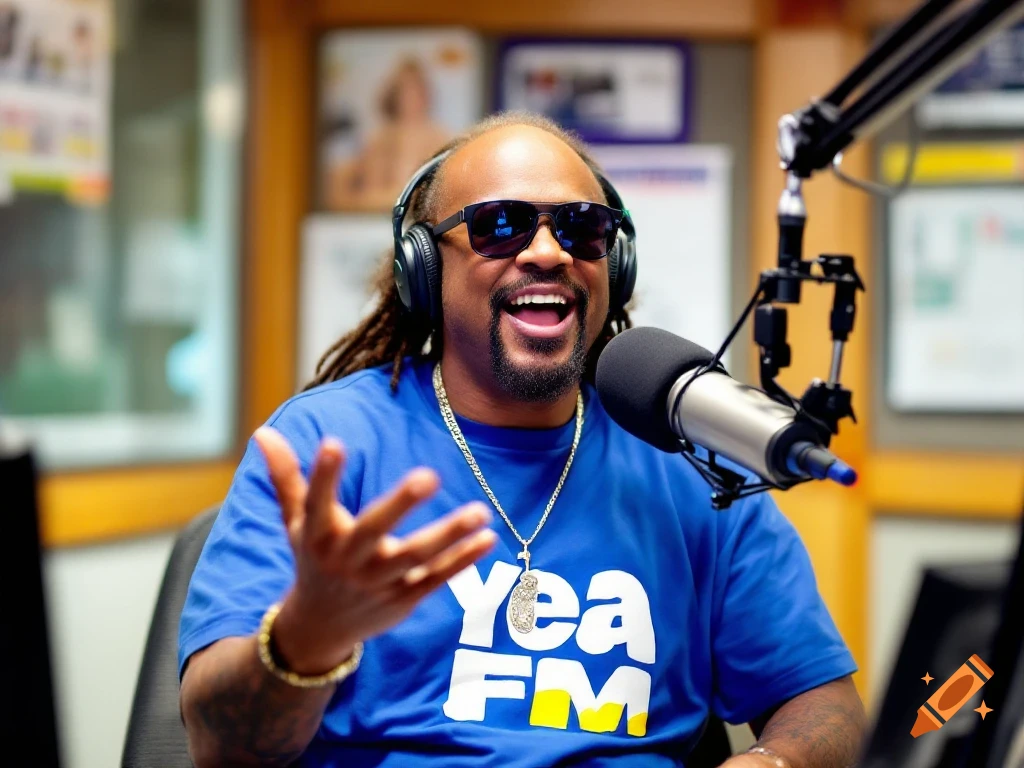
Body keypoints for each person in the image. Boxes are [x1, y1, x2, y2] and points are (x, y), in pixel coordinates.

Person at [179, 111, 866, 767]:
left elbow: (824, 705)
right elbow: (222, 748)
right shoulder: (325, 445)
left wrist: (773, 761)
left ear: (613, 264)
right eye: (498, 226)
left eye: (582, 228)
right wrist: (305, 638)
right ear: (426, 267)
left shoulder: (691, 462)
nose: (547, 251)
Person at [325, 57, 451, 212]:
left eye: (414, 90)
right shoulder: (377, 139)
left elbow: (427, 196)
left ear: (425, 94)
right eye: (403, 90)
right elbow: (344, 193)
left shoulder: (438, 138)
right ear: (393, 94)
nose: (408, 97)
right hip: (371, 218)